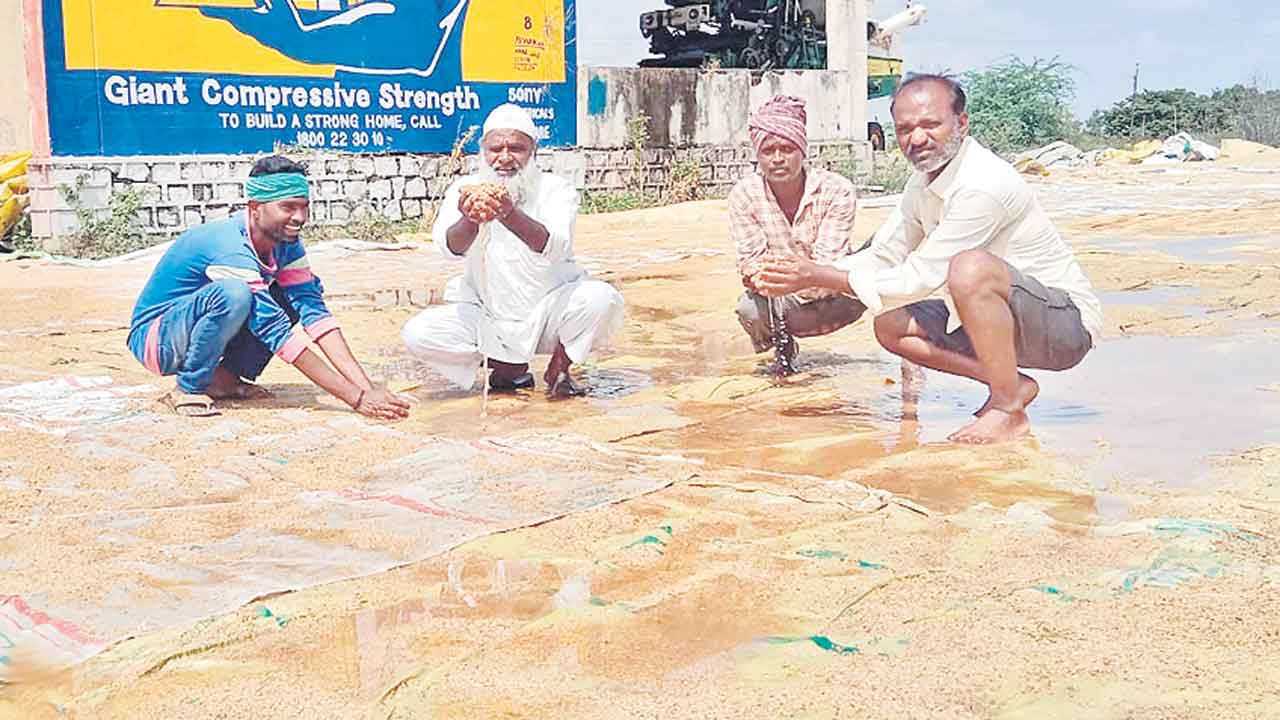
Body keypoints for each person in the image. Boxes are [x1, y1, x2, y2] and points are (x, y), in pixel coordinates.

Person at [755, 75, 1103, 443]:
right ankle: (1011, 386)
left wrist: (817, 275)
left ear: (962, 123)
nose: (916, 138)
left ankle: (1006, 409)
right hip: (996, 322)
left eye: (930, 124)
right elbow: (886, 252)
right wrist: (808, 275)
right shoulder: (922, 182)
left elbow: (920, 278)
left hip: (1063, 326)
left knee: (970, 269)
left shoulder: (983, 184)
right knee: (890, 324)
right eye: (904, 129)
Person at [126, 155, 411, 420]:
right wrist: (356, 399)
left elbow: (313, 311)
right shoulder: (229, 246)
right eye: (288, 207)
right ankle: (189, 387)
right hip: (158, 340)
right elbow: (273, 329)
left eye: (304, 207)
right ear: (255, 208)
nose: (299, 217)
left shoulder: (286, 244)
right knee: (235, 294)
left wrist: (367, 388)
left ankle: (225, 377)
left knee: (301, 289)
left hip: (198, 330)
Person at [402, 104, 625, 398]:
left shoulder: (556, 189)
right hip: (486, 312)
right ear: (483, 149)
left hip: (549, 312)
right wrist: (469, 218)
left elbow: (555, 247)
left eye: (516, 148)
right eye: (496, 148)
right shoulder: (465, 187)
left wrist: (508, 213)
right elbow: (449, 248)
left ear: (533, 149)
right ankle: (510, 366)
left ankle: (559, 367)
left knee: (600, 299)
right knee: (419, 334)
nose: (505, 158)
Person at [730, 95, 865, 369]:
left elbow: (827, 266)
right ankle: (783, 350)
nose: (778, 159)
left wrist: (780, 275)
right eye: (769, 151)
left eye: (787, 148)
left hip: (843, 297)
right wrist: (774, 276)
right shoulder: (744, 196)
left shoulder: (837, 190)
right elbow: (751, 265)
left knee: (888, 265)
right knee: (749, 308)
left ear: (802, 151)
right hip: (784, 302)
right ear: (758, 155)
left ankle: (911, 361)